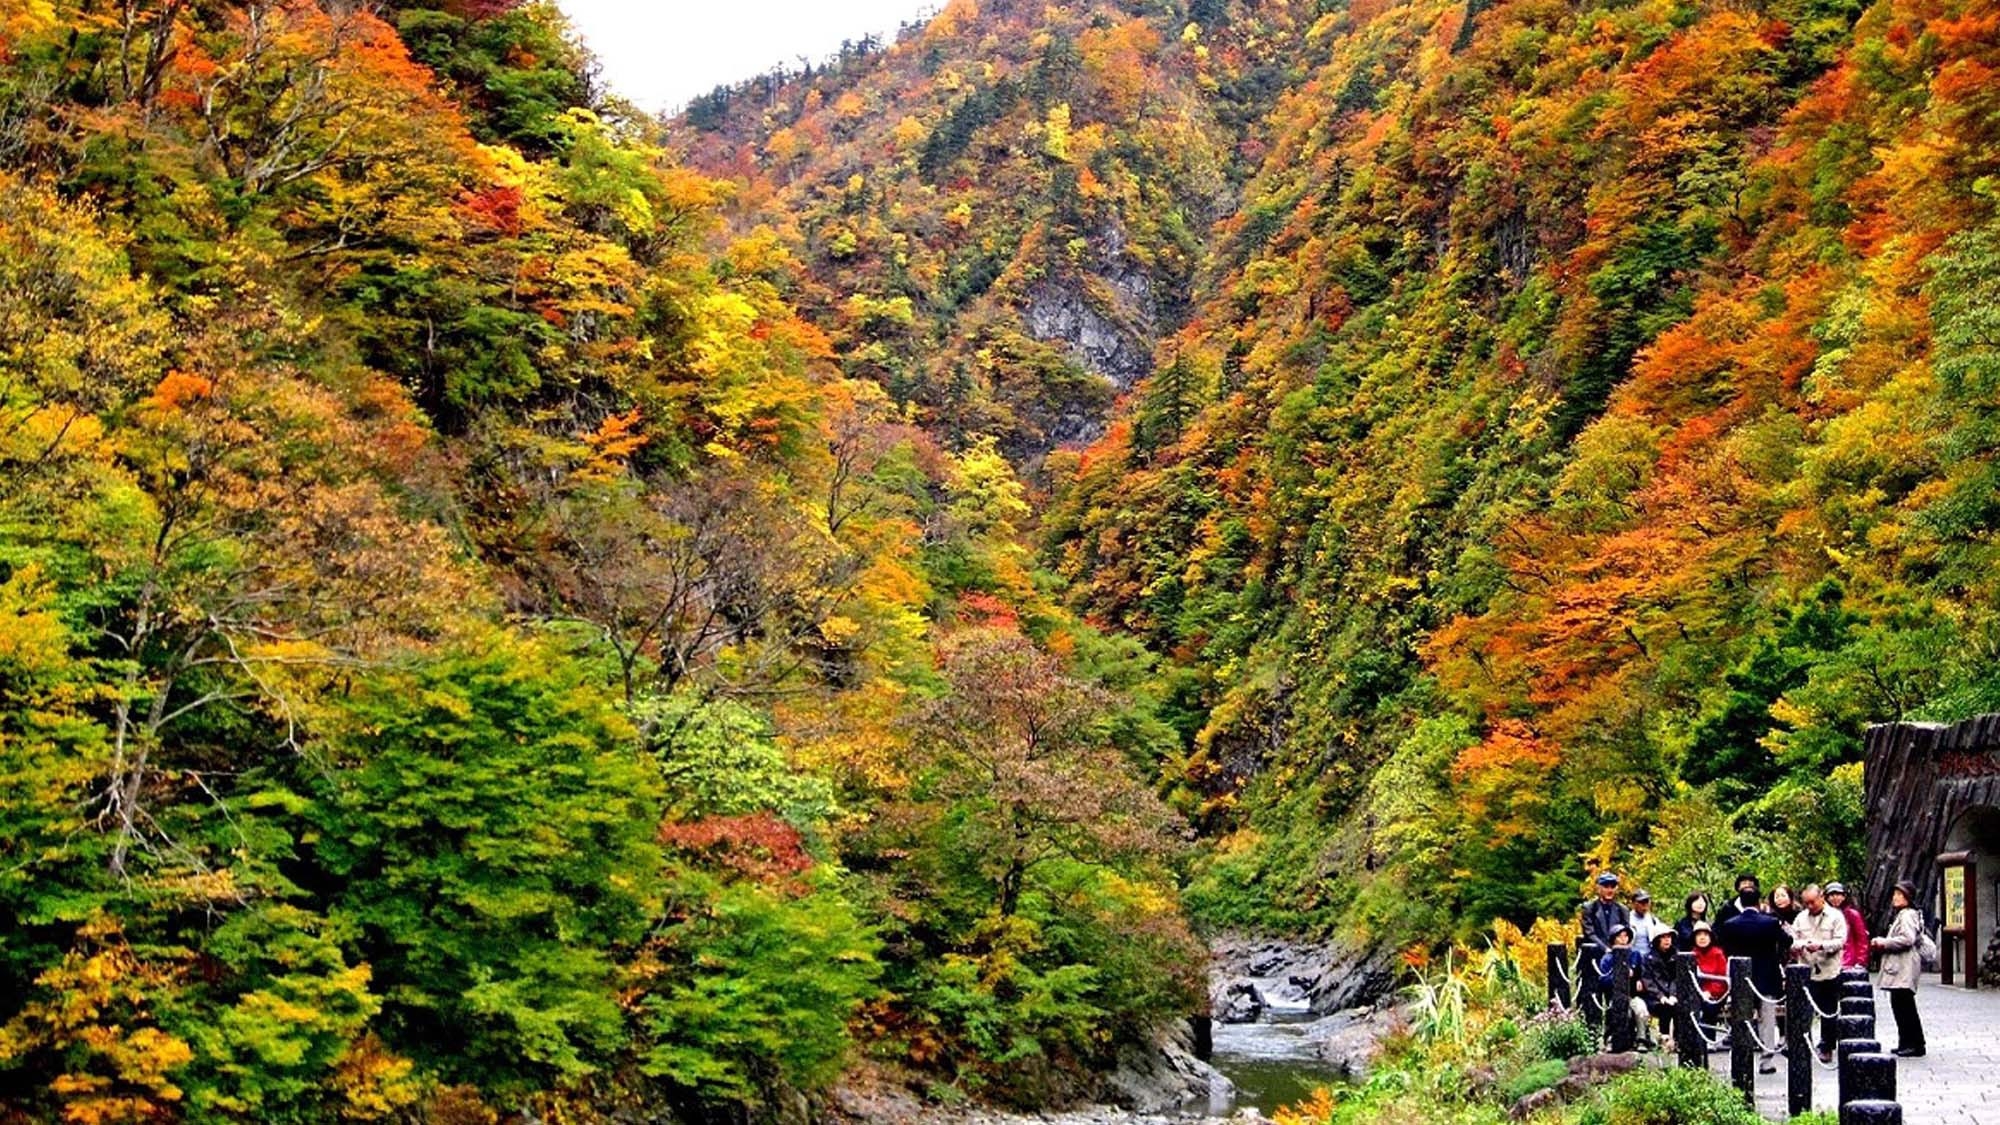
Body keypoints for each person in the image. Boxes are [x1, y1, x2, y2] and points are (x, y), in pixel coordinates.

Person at [1720, 897, 1790, 1073]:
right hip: (1767, 976)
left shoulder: (1730, 924)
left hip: (1742, 976)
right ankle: (1766, 1061)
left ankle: (1741, 1057)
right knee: (1768, 1019)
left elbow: (1725, 948)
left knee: (1742, 1019)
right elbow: (1786, 941)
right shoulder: (1771, 922)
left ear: (1741, 903)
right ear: (1758, 903)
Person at [1792, 884, 1849, 1062]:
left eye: (1812, 902)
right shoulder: (1801, 918)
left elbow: (1841, 940)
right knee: (1804, 1009)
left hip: (1829, 970)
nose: (1809, 906)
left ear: (1821, 898)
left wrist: (1822, 945)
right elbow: (1792, 940)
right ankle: (1801, 1044)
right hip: (1807, 970)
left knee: (1828, 1010)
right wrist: (1801, 945)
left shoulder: (1835, 917)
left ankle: (1827, 1046)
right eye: (1806, 903)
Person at [1871, 880, 1927, 1058]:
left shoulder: (1907, 915)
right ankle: (1909, 1041)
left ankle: (1913, 1043)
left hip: (1904, 964)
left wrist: (1884, 942)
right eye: (1895, 894)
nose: (1895, 898)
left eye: (1900, 895)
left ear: (1908, 897)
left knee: (1904, 1005)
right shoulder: (1904, 914)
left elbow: (1907, 939)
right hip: (1902, 964)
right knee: (1902, 1004)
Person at [1595, 925, 1651, 1046]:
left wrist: (1639, 980)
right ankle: (1611, 1038)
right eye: (1619, 936)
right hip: (1614, 996)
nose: (1623, 939)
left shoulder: (1635, 954)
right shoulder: (1607, 958)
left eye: (1626, 936)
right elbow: (1603, 980)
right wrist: (1620, 975)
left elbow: (1642, 973)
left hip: (1632, 995)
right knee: (1617, 1012)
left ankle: (1641, 1039)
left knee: (1640, 1009)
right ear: (1613, 939)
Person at [1639, 929, 1681, 1047]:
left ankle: (1679, 1041)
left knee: (1680, 1007)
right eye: (1663, 937)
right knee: (1664, 1008)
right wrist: (1660, 996)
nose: (1667, 940)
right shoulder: (1648, 958)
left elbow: (1677, 978)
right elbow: (1647, 980)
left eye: (1669, 937)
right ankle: (1664, 1040)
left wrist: (1673, 994)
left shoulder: (1677, 956)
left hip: (1673, 994)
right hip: (1653, 996)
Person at [1690, 922, 1729, 1031]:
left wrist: (1710, 992)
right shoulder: (1692, 954)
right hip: (1697, 993)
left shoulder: (1718, 954)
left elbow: (1723, 979)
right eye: (1699, 935)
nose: (1702, 938)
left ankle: (1708, 1041)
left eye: (1705, 935)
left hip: (1717, 994)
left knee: (1709, 1008)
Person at [1581, 871, 1631, 950]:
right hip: (1595, 951)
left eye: (1612, 887)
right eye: (1606, 887)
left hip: (1616, 951)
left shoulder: (1622, 910)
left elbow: (1625, 933)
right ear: (1599, 888)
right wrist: (1605, 948)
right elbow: (1590, 933)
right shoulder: (1590, 908)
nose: (1610, 890)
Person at [1827, 882, 1870, 970]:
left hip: (1848, 961)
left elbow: (1862, 939)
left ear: (1844, 896)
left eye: (1838, 895)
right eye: (1831, 895)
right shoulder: (1823, 916)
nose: (1835, 898)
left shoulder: (1852, 915)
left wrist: (1860, 961)